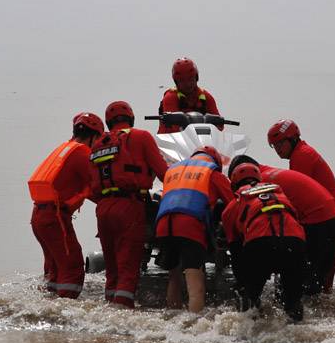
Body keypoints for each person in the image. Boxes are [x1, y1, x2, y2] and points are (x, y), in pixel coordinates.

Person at [90, 101, 168, 308]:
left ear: (108, 122)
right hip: (129, 206)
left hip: (103, 209)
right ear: (131, 118)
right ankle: (122, 315)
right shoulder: (141, 137)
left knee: (112, 269)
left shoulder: (98, 144)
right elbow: (164, 173)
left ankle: (108, 309)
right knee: (128, 267)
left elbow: (91, 184)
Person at [228, 155, 335, 293]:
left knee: (301, 286)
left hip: (317, 221)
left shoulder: (258, 185)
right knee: (312, 283)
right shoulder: (271, 174)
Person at [267, 119, 335, 290]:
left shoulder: (302, 156)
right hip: (327, 219)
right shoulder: (301, 154)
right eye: (274, 145)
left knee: (321, 282)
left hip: (333, 220)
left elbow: (297, 197)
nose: (277, 150)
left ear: (292, 139)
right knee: (318, 281)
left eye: (280, 144)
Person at [28, 112, 104, 298]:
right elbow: (97, 187)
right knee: (72, 266)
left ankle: (48, 304)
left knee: (54, 267)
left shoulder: (65, 148)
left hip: (39, 216)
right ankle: (64, 313)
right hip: (55, 218)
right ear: (94, 136)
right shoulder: (82, 152)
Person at [222, 163, 306, 322]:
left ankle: (250, 333)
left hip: (259, 243)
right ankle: (296, 337)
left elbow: (235, 251)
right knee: (293, 303)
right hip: (295, 242)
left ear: (234, 185)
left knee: (248, 296)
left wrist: (243, 282)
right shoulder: (280, 194)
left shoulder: (234, 204)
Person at [154, 146, 234, 312]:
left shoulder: (173, 170)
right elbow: (234, 202)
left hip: (163, 226)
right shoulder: (212, 173)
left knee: (174, 276)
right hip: (189, 226)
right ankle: (193, 326)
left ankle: (172, 316)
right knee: (195, 282)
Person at [157, 58, 222, 133]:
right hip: (172, 141)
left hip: (202, 140)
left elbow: (219, 126)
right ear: (176, 82)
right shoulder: (170, 97)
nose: (187, 84)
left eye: (190, 79)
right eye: (182, 81)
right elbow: (173, 128)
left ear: (196, 78)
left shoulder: (207, 97)